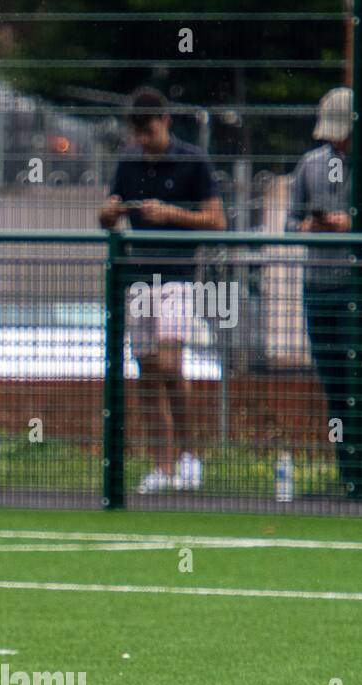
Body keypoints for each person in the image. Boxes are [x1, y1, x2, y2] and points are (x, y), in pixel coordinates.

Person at [99, 87, 224, 494]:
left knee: (171, 366)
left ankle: (190, 456)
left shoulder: (193, 161)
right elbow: (106, 213)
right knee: (147, 371)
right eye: (137, 133)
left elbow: (217, 221)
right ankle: (162, 463)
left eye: (149, 131)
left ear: (165, 122)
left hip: (178, 276)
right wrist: (110, 212)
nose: (143, 140)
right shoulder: (128, 162)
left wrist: (170, 214)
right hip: (140, 278)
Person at [285, 86, 362, 499]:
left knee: (361, 380)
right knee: (333, 382)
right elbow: (290, 223)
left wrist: (355, 227)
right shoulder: (309, 165)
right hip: (317, 287)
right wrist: (311, 227)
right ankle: (347, 469)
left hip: (357, 287)